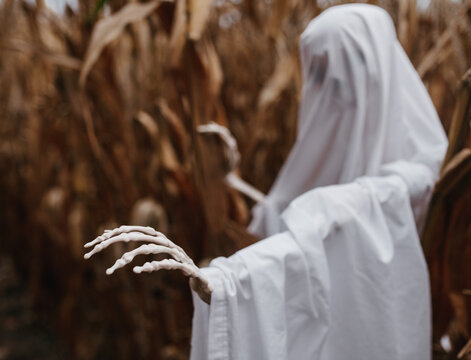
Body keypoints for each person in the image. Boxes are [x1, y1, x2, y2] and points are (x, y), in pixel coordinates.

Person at [85, 4, 448, 359]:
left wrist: (238, 280)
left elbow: (349, 210)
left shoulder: (419, 167)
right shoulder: (335, 141)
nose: (326, 88)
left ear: (374, 66)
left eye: (337, 72)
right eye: (317, 75)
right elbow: (282, 212)